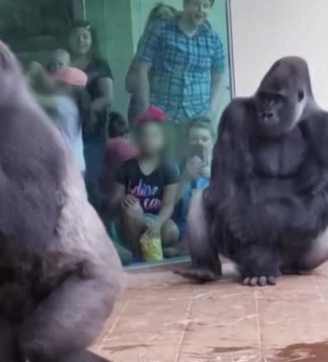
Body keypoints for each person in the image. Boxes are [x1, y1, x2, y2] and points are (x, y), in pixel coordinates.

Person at [130, 0, 227, 159]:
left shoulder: (213, 38)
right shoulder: (159, 30)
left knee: (197, 171)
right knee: (165, 171)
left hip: (197, 118)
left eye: (206, 6)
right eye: (196, 4)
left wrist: (211, 112)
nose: (201, 10)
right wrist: (146, 109)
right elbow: (142, 69)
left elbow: (220, 76)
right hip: (162, 115)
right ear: (185, 4)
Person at [110, 106, 180, 259]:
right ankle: (139, 255)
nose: (149, 140)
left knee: (172, 231)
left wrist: (158, 223)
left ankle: (154, 252)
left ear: (163, 139)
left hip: (155, 220)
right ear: (137, 139)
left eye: (154, 136)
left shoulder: (168, 169)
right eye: (144, 136)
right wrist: (123, 200)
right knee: (133, 209)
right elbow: (114, 201)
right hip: (130, 221)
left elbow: (169, 204)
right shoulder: (125, 167)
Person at [68, 20, 114, 211]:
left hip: (92, 130)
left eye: (85, 37)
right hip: (68, 131)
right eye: (77, 36)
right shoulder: (64, 62)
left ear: (91, 40)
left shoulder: (99, 64)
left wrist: (86, 111)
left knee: (91, 180)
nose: (81, 40)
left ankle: (98, 225)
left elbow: (107, 97)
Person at [125, 3, 178, 125]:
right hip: (145, 109)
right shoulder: (143, 51)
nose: (163, 20)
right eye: (159, 17)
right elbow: (129, 85)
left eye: (167, 16)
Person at [172, 117, 214, 240]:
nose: (199, 143)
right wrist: (185, 178)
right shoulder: (178, 166)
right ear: (187, 142)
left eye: (204, 139)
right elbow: (169, 203)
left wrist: (213, 178)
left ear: (213, 142)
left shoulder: (223, 165)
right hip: (184, 224)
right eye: (194, 139)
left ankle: (181, 249)